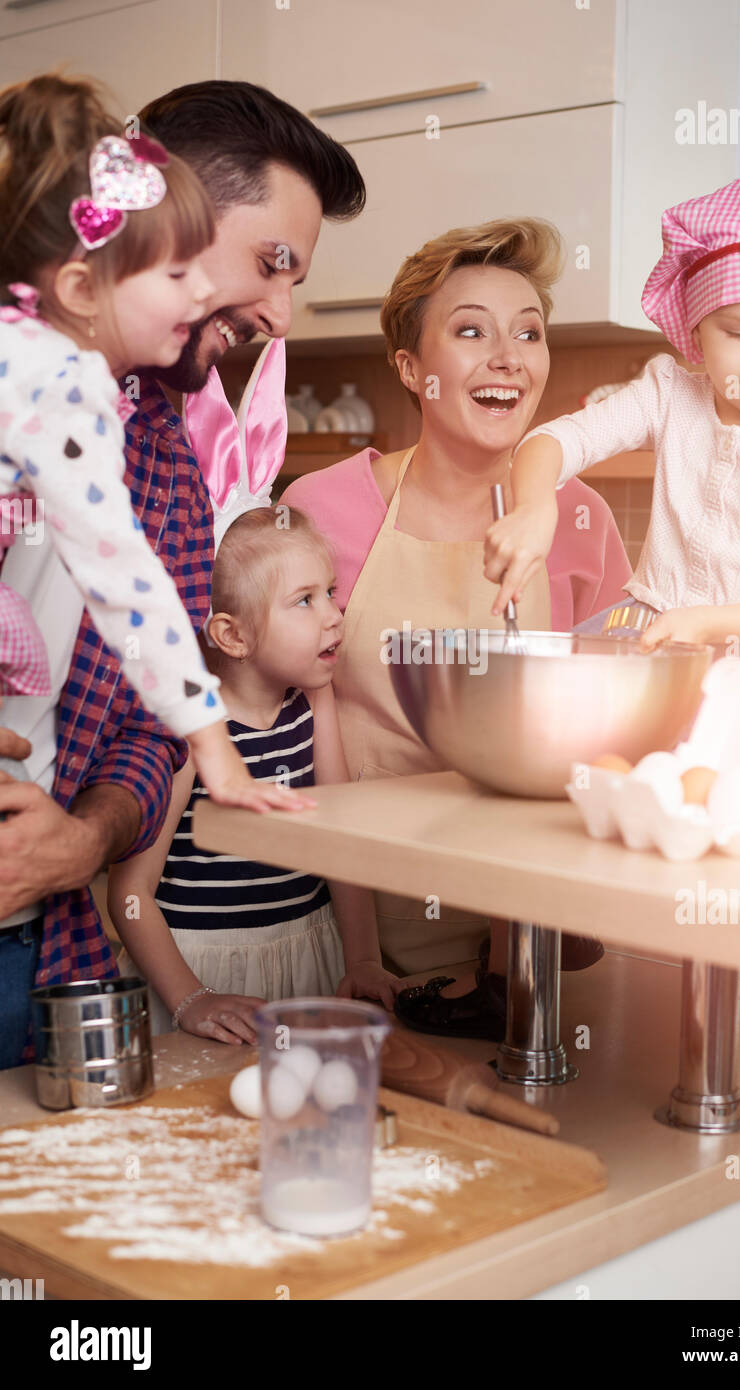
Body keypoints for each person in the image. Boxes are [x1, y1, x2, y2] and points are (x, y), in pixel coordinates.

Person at [0, 76, 365, 1067]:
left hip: (42, 952)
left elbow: (145, 722)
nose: (280, 312)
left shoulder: (160, 453)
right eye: (270, 262)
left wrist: (83, 840)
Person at [283, 217, 631, 1039]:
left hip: (524, 943)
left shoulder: (577, 518)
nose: (507, 356)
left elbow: (617, 731)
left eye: (528, 334)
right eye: (470, 331)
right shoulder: (320, 508)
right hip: (339, 933)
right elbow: (266, 719)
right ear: (412, 367)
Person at [0, 74, 312, 815]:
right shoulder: (58, 382)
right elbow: (125, 577)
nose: (198, 293)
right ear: (81, 289)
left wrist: (201, 750)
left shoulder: (162, 461)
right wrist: (218, 753)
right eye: (177, 270)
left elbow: (128, 593)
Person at [485, 180, 740, 662]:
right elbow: (556, 440)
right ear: (696, 328)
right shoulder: (668, 395)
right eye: (738, 331)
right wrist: (534, 510)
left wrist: (704, 623)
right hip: (652, 637)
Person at [109, 505, 398, 1042]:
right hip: (199, 972)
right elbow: (130, 892)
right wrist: (193, 999)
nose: (334, 615)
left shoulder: (314, 700)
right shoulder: (193, 726)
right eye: (305, 601)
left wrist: (360, 959)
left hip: (309, 958)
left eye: (331, 592)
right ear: (233, 636)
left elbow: (338, 839)